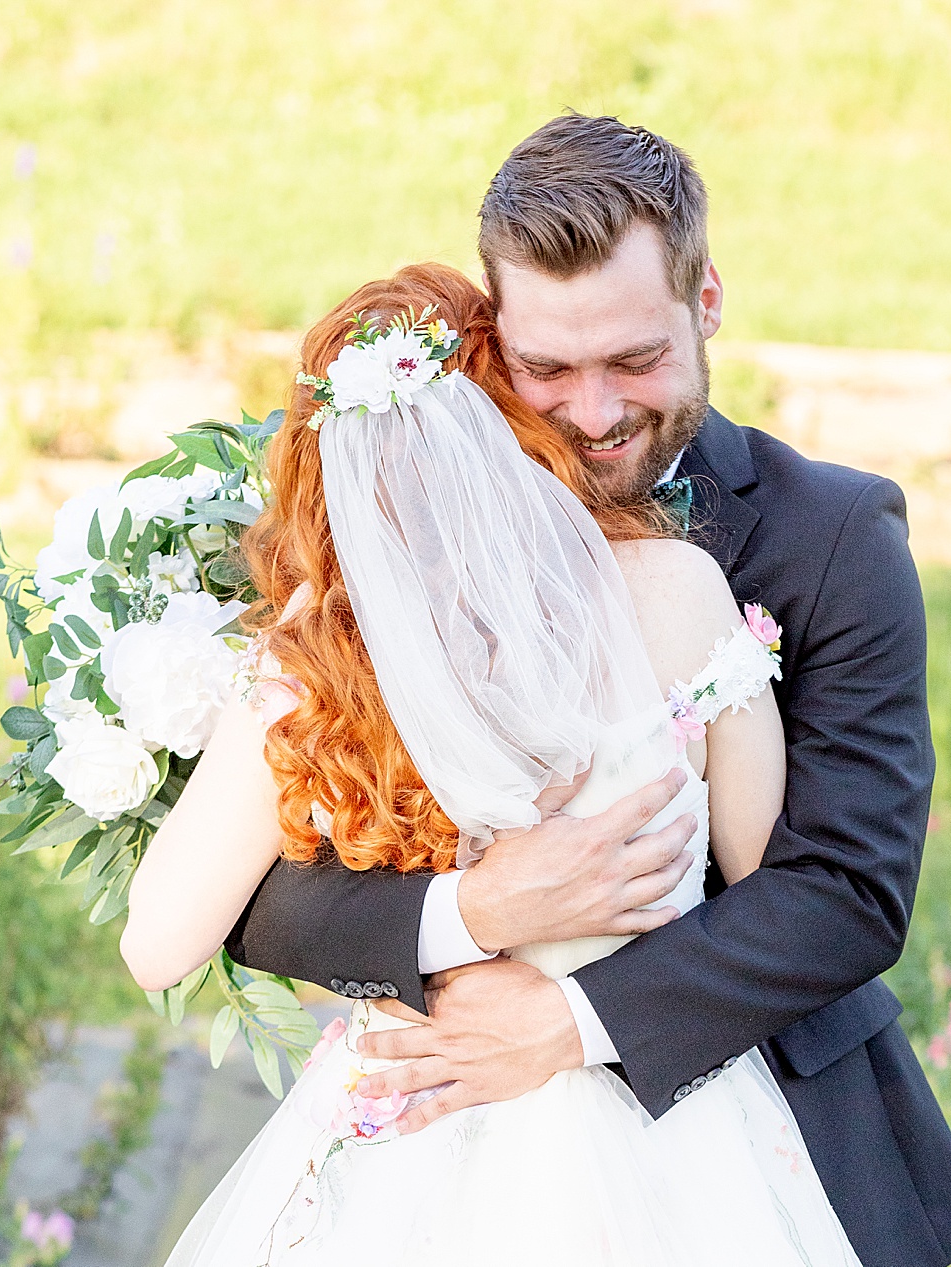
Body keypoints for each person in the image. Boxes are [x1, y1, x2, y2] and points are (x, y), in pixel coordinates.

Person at [218, 115, 951, 1267]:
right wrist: (469, 916)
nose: (592, 414)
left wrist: (571, 1023)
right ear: (490, 339)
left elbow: (849, 887)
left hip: (760, 1131)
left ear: (707, 301)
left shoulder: (835, 533)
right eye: (547, 370)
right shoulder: (396, 534)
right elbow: (259, 885)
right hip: (448, 1143)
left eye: (635, 361)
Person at [122, 262, 863, 1264]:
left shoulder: (324, 662)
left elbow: (157, 943)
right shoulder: (680, 591)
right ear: (518, 426)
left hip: (414, 1115)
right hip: (666, 1124)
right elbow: (765, 871)